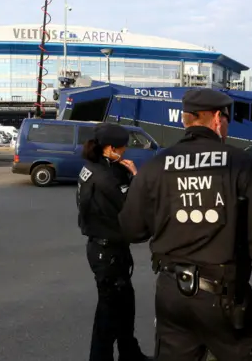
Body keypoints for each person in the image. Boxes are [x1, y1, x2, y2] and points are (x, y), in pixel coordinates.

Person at [118, 88, 252, 360]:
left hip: (171, 296)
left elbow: (132, 229)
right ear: (217, 118)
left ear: (185, 120)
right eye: (227, 118)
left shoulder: (156, 167)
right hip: (223, 299)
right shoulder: (243, 165)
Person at [76, 123, 152, 361]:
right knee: (108, 313)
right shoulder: (105, 177)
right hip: (107, 252)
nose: (125, 151)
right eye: (122, 147)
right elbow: (134, 205)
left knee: (125, 306)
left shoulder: (93, 167)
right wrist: (136, 176)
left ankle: (130, 352)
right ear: (109, 148)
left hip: (107, 247)